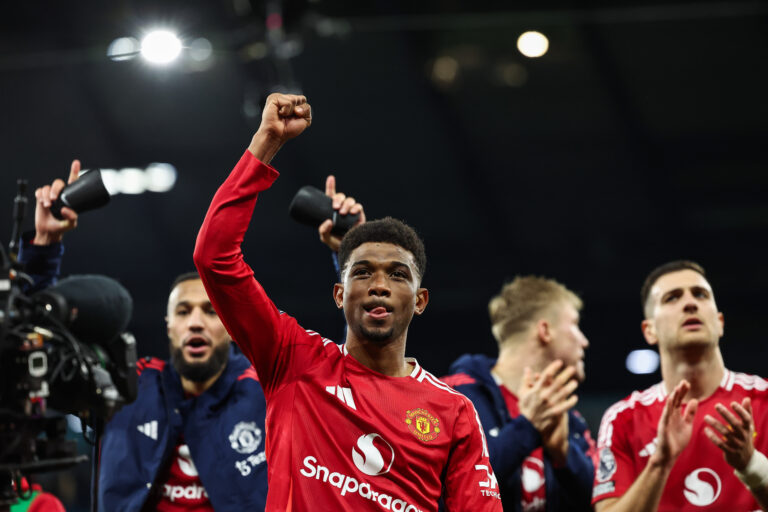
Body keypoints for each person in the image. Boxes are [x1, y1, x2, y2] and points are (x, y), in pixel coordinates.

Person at [193, 93, 502, 511]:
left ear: (420, 300)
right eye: (362, 272)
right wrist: (266, 142)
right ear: (339, 294)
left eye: (398, 275)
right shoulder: (293, 359)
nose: (379, 285)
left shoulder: (453, 410)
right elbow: (214, 258)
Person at [20, 162, 362, 511]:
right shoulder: (126, 388)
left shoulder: (270, 393)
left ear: (232, 326)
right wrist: (43, 247)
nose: (195, 322)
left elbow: (353, 380)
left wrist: (352, 258)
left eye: (211, 312)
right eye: (183, 312)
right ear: (169, 325)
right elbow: (34, 350)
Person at [593, 260, 768, 511]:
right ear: (649, 330)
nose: (690, 303)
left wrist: (752, 466)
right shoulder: (623, 419)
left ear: (720, 322)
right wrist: (660, 463)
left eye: (700, 294)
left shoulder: (764, 399)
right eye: (672, 298)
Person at [442, 276, 595, 511]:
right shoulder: (451, 397)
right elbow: (453, 489)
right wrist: (527, 427)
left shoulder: (568, 418)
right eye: (575, 324)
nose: (584, 341)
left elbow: (604, 503)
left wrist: (563, 454)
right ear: (545, 330)